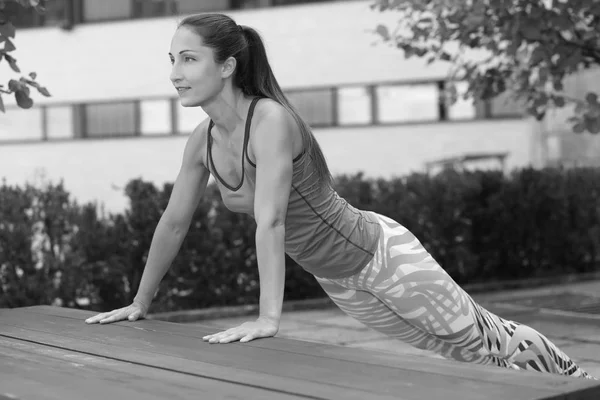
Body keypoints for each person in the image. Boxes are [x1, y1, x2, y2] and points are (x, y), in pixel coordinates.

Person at [85, 13, 595, 380]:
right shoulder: (202, 141)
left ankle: (575, 379)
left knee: (484, 339)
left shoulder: (270, 121)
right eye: (172, 60)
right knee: (463, 357)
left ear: (227, 66)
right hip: (340, 280)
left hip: (384, 257)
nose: (175, 72)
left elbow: (271, 222)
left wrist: (268, 318)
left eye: (189, 59)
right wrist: (140, 301)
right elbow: (174, 223)